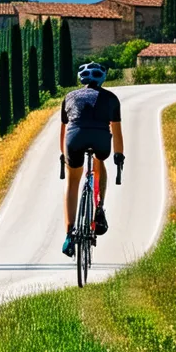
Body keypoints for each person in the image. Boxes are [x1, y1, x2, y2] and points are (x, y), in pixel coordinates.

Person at [60, 62, 124, 257]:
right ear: (102, 79)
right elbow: (117, 132)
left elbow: (63, 133)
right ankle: (99, 208)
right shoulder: (112, 98)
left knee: (72, 183)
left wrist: (64, 157)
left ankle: (70, 235)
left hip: (74, 139)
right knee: (99, 161)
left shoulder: (69, 97)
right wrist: (119, 157)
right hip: (101, 141)